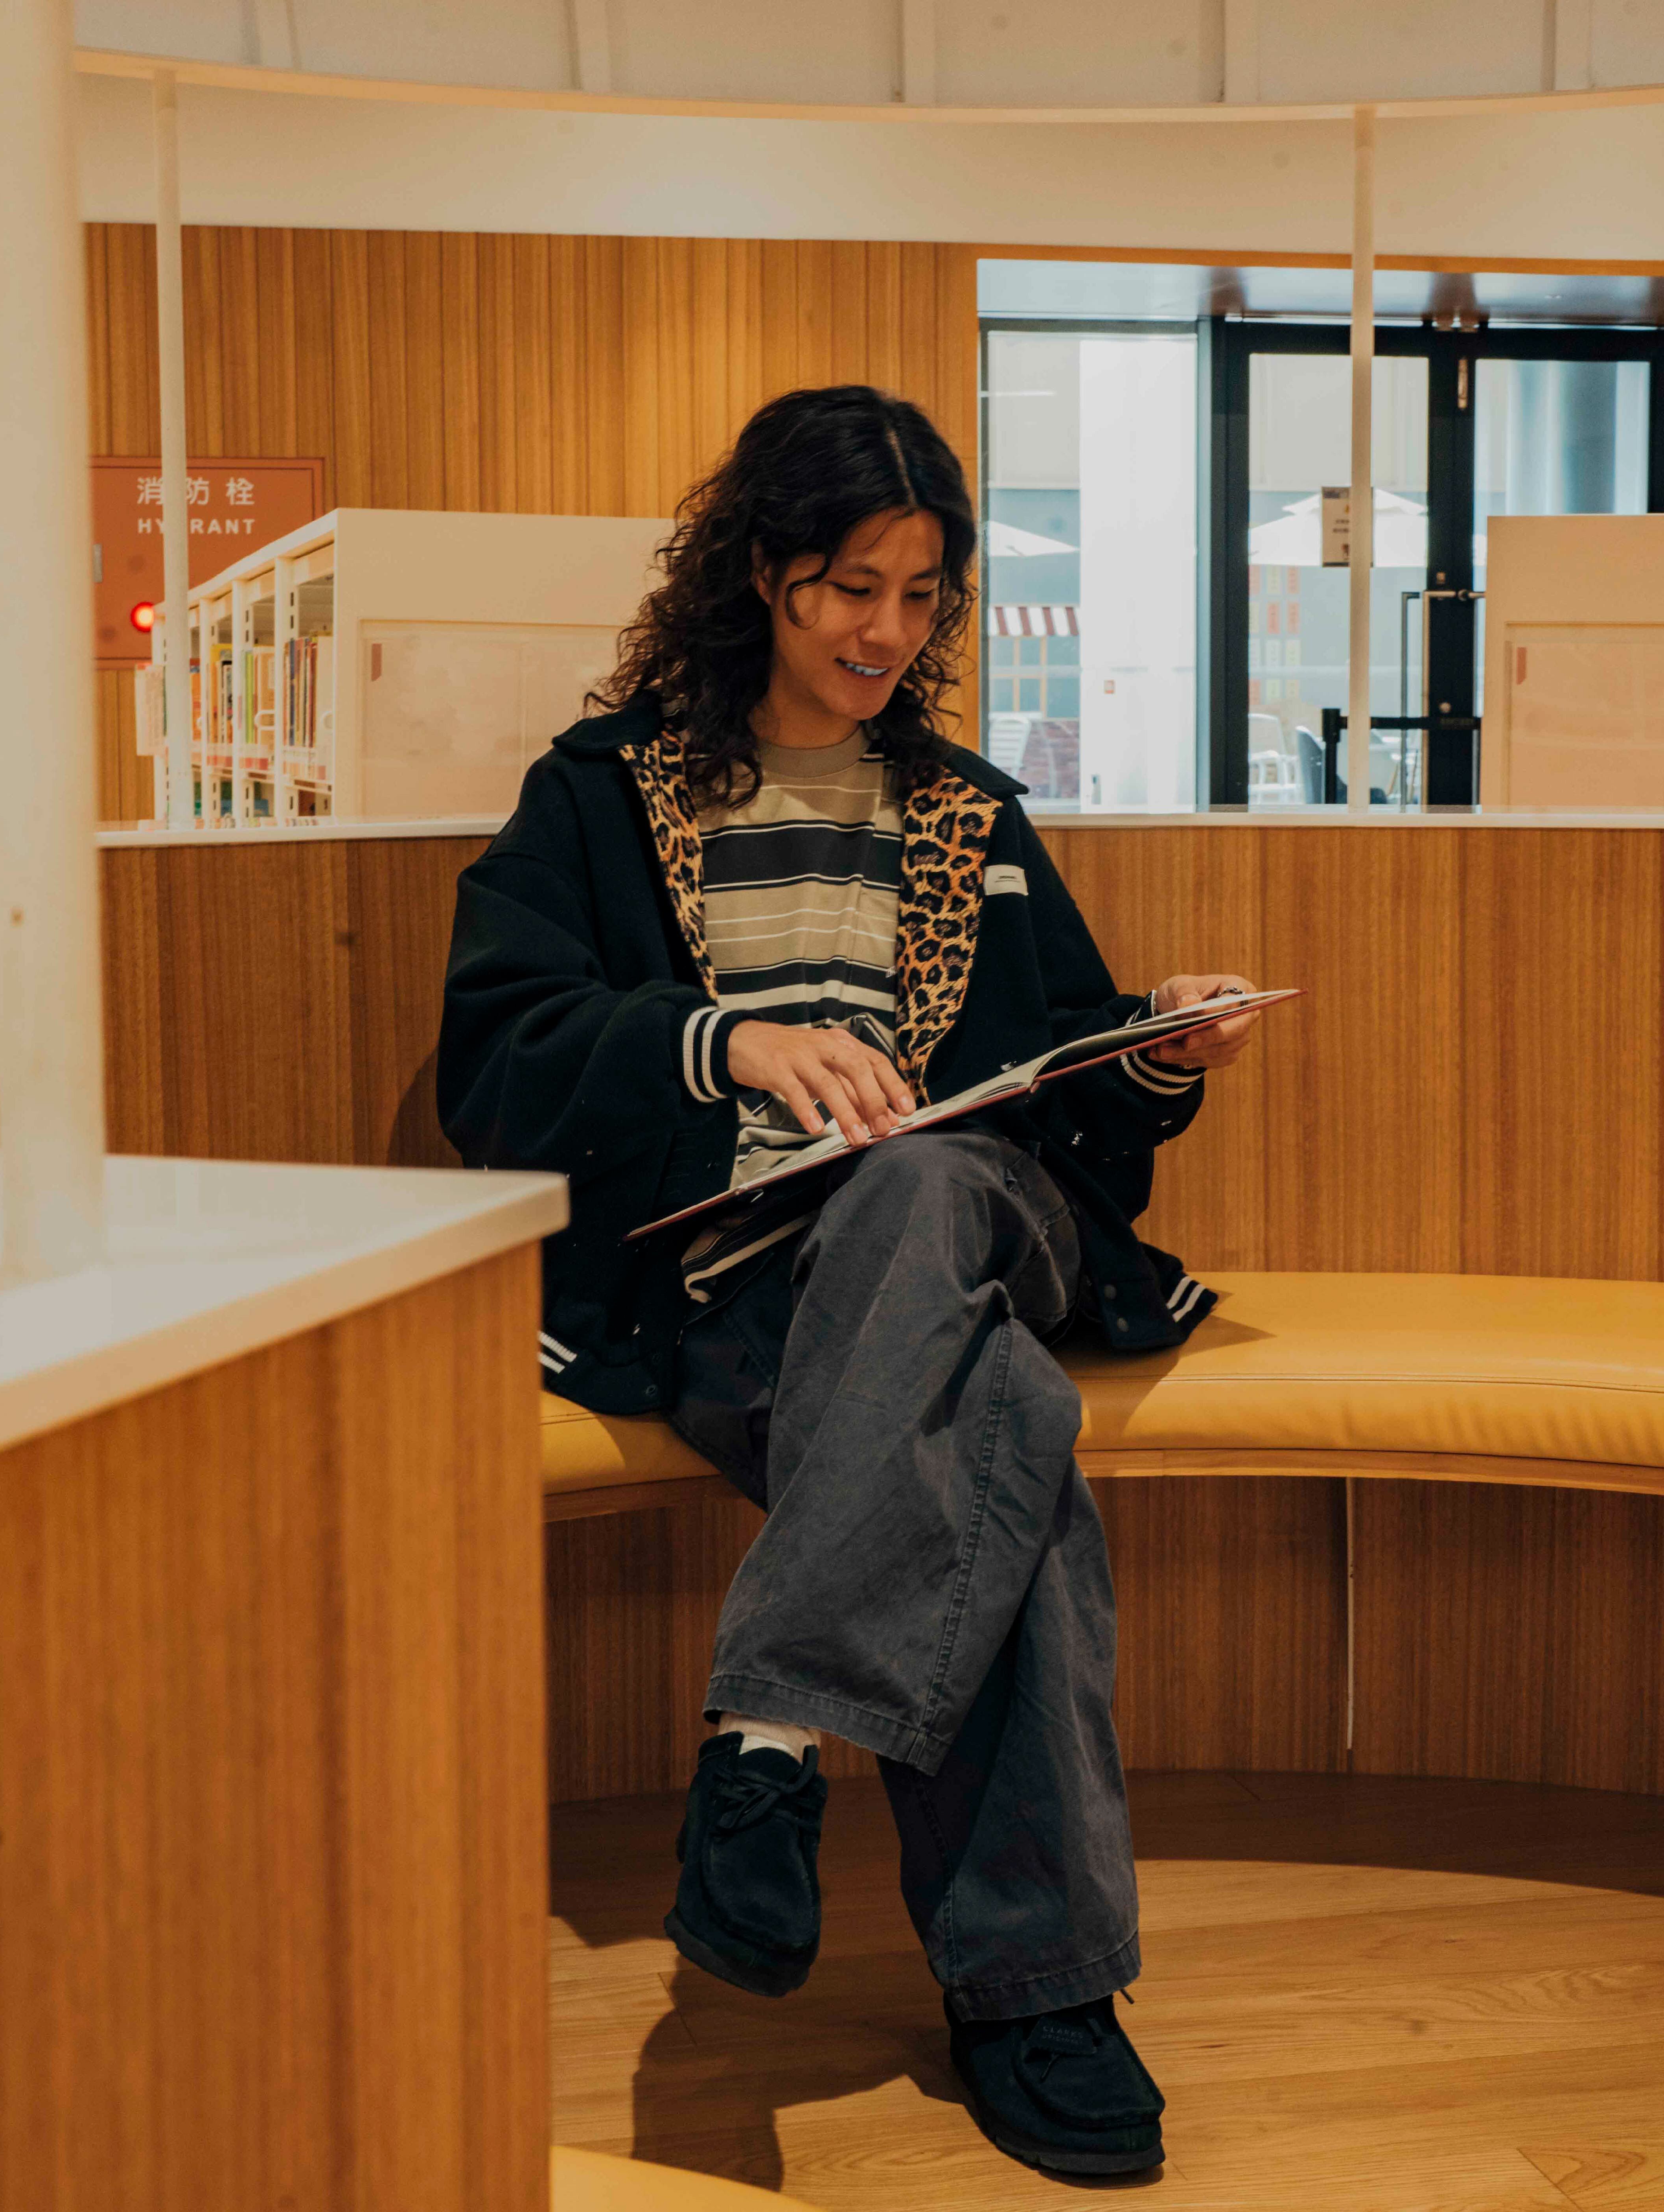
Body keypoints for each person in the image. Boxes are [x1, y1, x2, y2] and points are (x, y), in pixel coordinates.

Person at [438, 384, 1261, 2180]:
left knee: (925, 1177)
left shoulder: (965, 811)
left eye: (919, 595)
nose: (886, 631)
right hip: (731, 1278)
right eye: (849, 587)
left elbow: (1064, 1086)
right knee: (1004, 1439)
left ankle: (771, 1729)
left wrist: (1152, 1051)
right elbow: (494, 1061)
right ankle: (1038, 1993)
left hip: (977, 1215)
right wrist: (727, 1041)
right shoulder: (601, 797)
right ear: (763, 573)